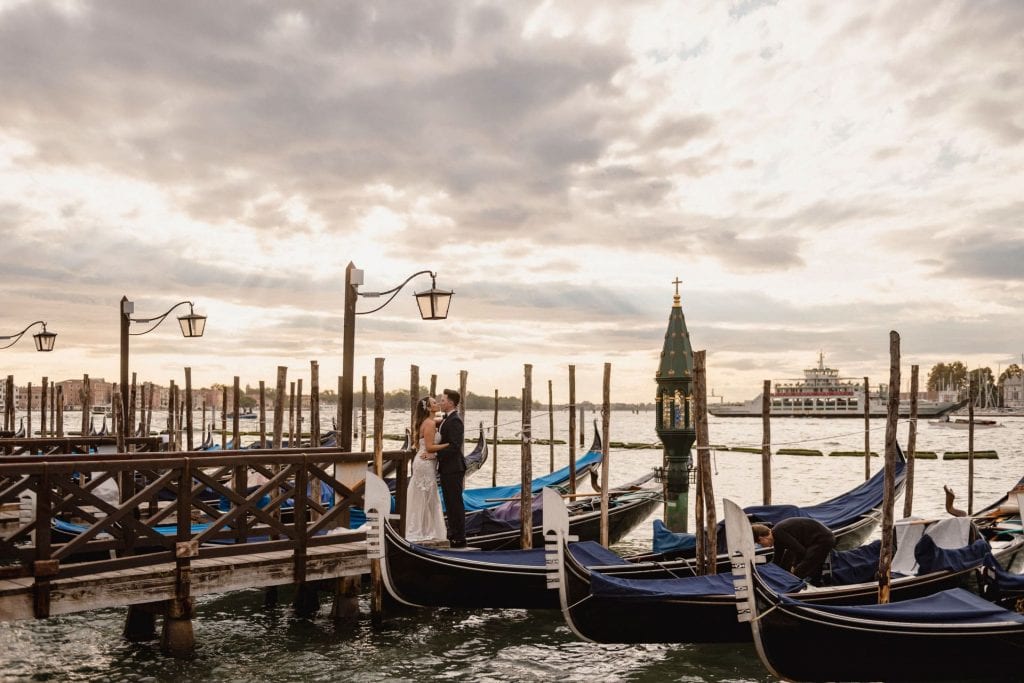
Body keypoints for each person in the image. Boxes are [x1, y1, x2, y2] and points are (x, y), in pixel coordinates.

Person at [404, 396, 449, 542]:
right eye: (435, 403)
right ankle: (423, 530)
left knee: (424, 495)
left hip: (424, 461)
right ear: (429, 408)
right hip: (425, 463)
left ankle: (424, 527)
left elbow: (440, 421)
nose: (438, 404)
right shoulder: (429, 423)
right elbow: (429, 447)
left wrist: (446, 419)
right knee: (426, 495)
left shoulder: (429, 421)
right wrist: (448, 446)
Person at [752, 517, 835, 581]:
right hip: (811, 541)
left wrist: (794, 566)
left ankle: (795, 587)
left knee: (798, 571)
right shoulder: (776, 536)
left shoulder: (778, 532)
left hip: (823, 539)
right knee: (786, 564)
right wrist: (767, 572)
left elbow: (801, 551)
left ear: (762, 538)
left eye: (760, 543)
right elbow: (777, 560)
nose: (762, 546)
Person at [436, 388, 467, 548]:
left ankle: (460, 537)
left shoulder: (455, 420)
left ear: (451, 403)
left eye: (443, 400)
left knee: (455, 503)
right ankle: (454, 533)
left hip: (454, 468)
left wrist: (435, 454)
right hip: (447, 468)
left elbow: (455, 446)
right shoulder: (446, 419)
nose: (441, 402)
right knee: (449, 502)